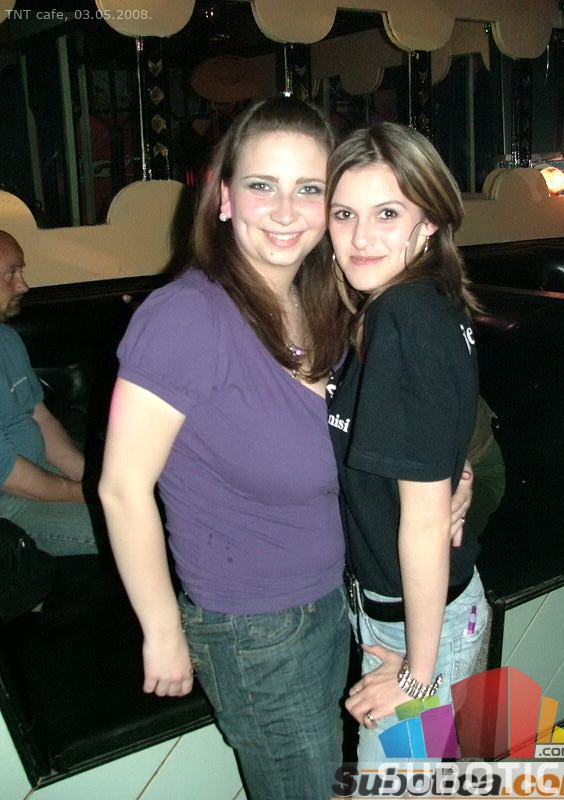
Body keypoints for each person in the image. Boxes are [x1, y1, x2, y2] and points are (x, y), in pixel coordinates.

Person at [98, 97, 351, 800]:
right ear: (225, 198)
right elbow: (121, 488)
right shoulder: (187, 316)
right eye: (263, 184)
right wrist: (161, 631)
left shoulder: (320, 302)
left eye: (309, 188)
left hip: (328, 600)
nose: (286, 210)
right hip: (254, 630)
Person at [325, 122, 489, 766]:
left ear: (429, 223)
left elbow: (422, 520)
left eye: (387, 213)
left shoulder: (401, 316)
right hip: (425, 611)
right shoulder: (420, 302)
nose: (361, 237)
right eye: (345, 214)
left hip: (419, 626)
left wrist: (418, 676)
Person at [0, 230, 98, 556]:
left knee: (152, 506)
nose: (23, 286)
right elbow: (7, 473)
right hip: (7, 502)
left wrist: (92, 478)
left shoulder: (7, 339)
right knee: (127, 530)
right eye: (11, 274)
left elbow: (41, 419)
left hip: (36, 475)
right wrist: (82, 493)